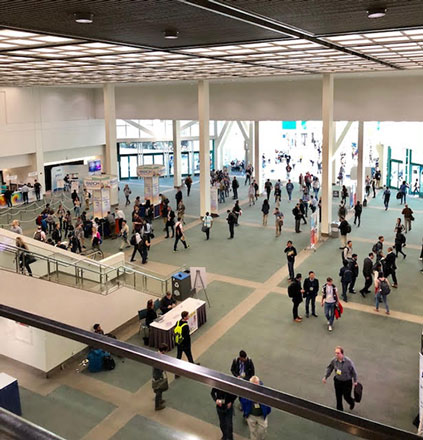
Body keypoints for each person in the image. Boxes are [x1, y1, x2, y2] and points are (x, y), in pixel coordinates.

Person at [322, 346, 358, 412]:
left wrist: (355, 381)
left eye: (338, 353)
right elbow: (330, 368)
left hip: (347, 382)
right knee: (338, 397)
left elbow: (354, 372)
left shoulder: (348, 362)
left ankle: (351, 402)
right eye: (335, 353)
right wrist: (325, 377)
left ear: (342, 354)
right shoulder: (334, 361)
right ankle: (339, 411)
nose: (336, 355)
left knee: (346, 396)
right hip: (338, 381)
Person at [151, 343, 169, 411]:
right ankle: (157, 406)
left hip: (157, 374)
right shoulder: (159, 357)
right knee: (159, 390)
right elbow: (159, 367)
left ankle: (160, 400)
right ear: (163, 351)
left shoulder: (157, 354)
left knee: (160, 389)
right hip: (157, 375)